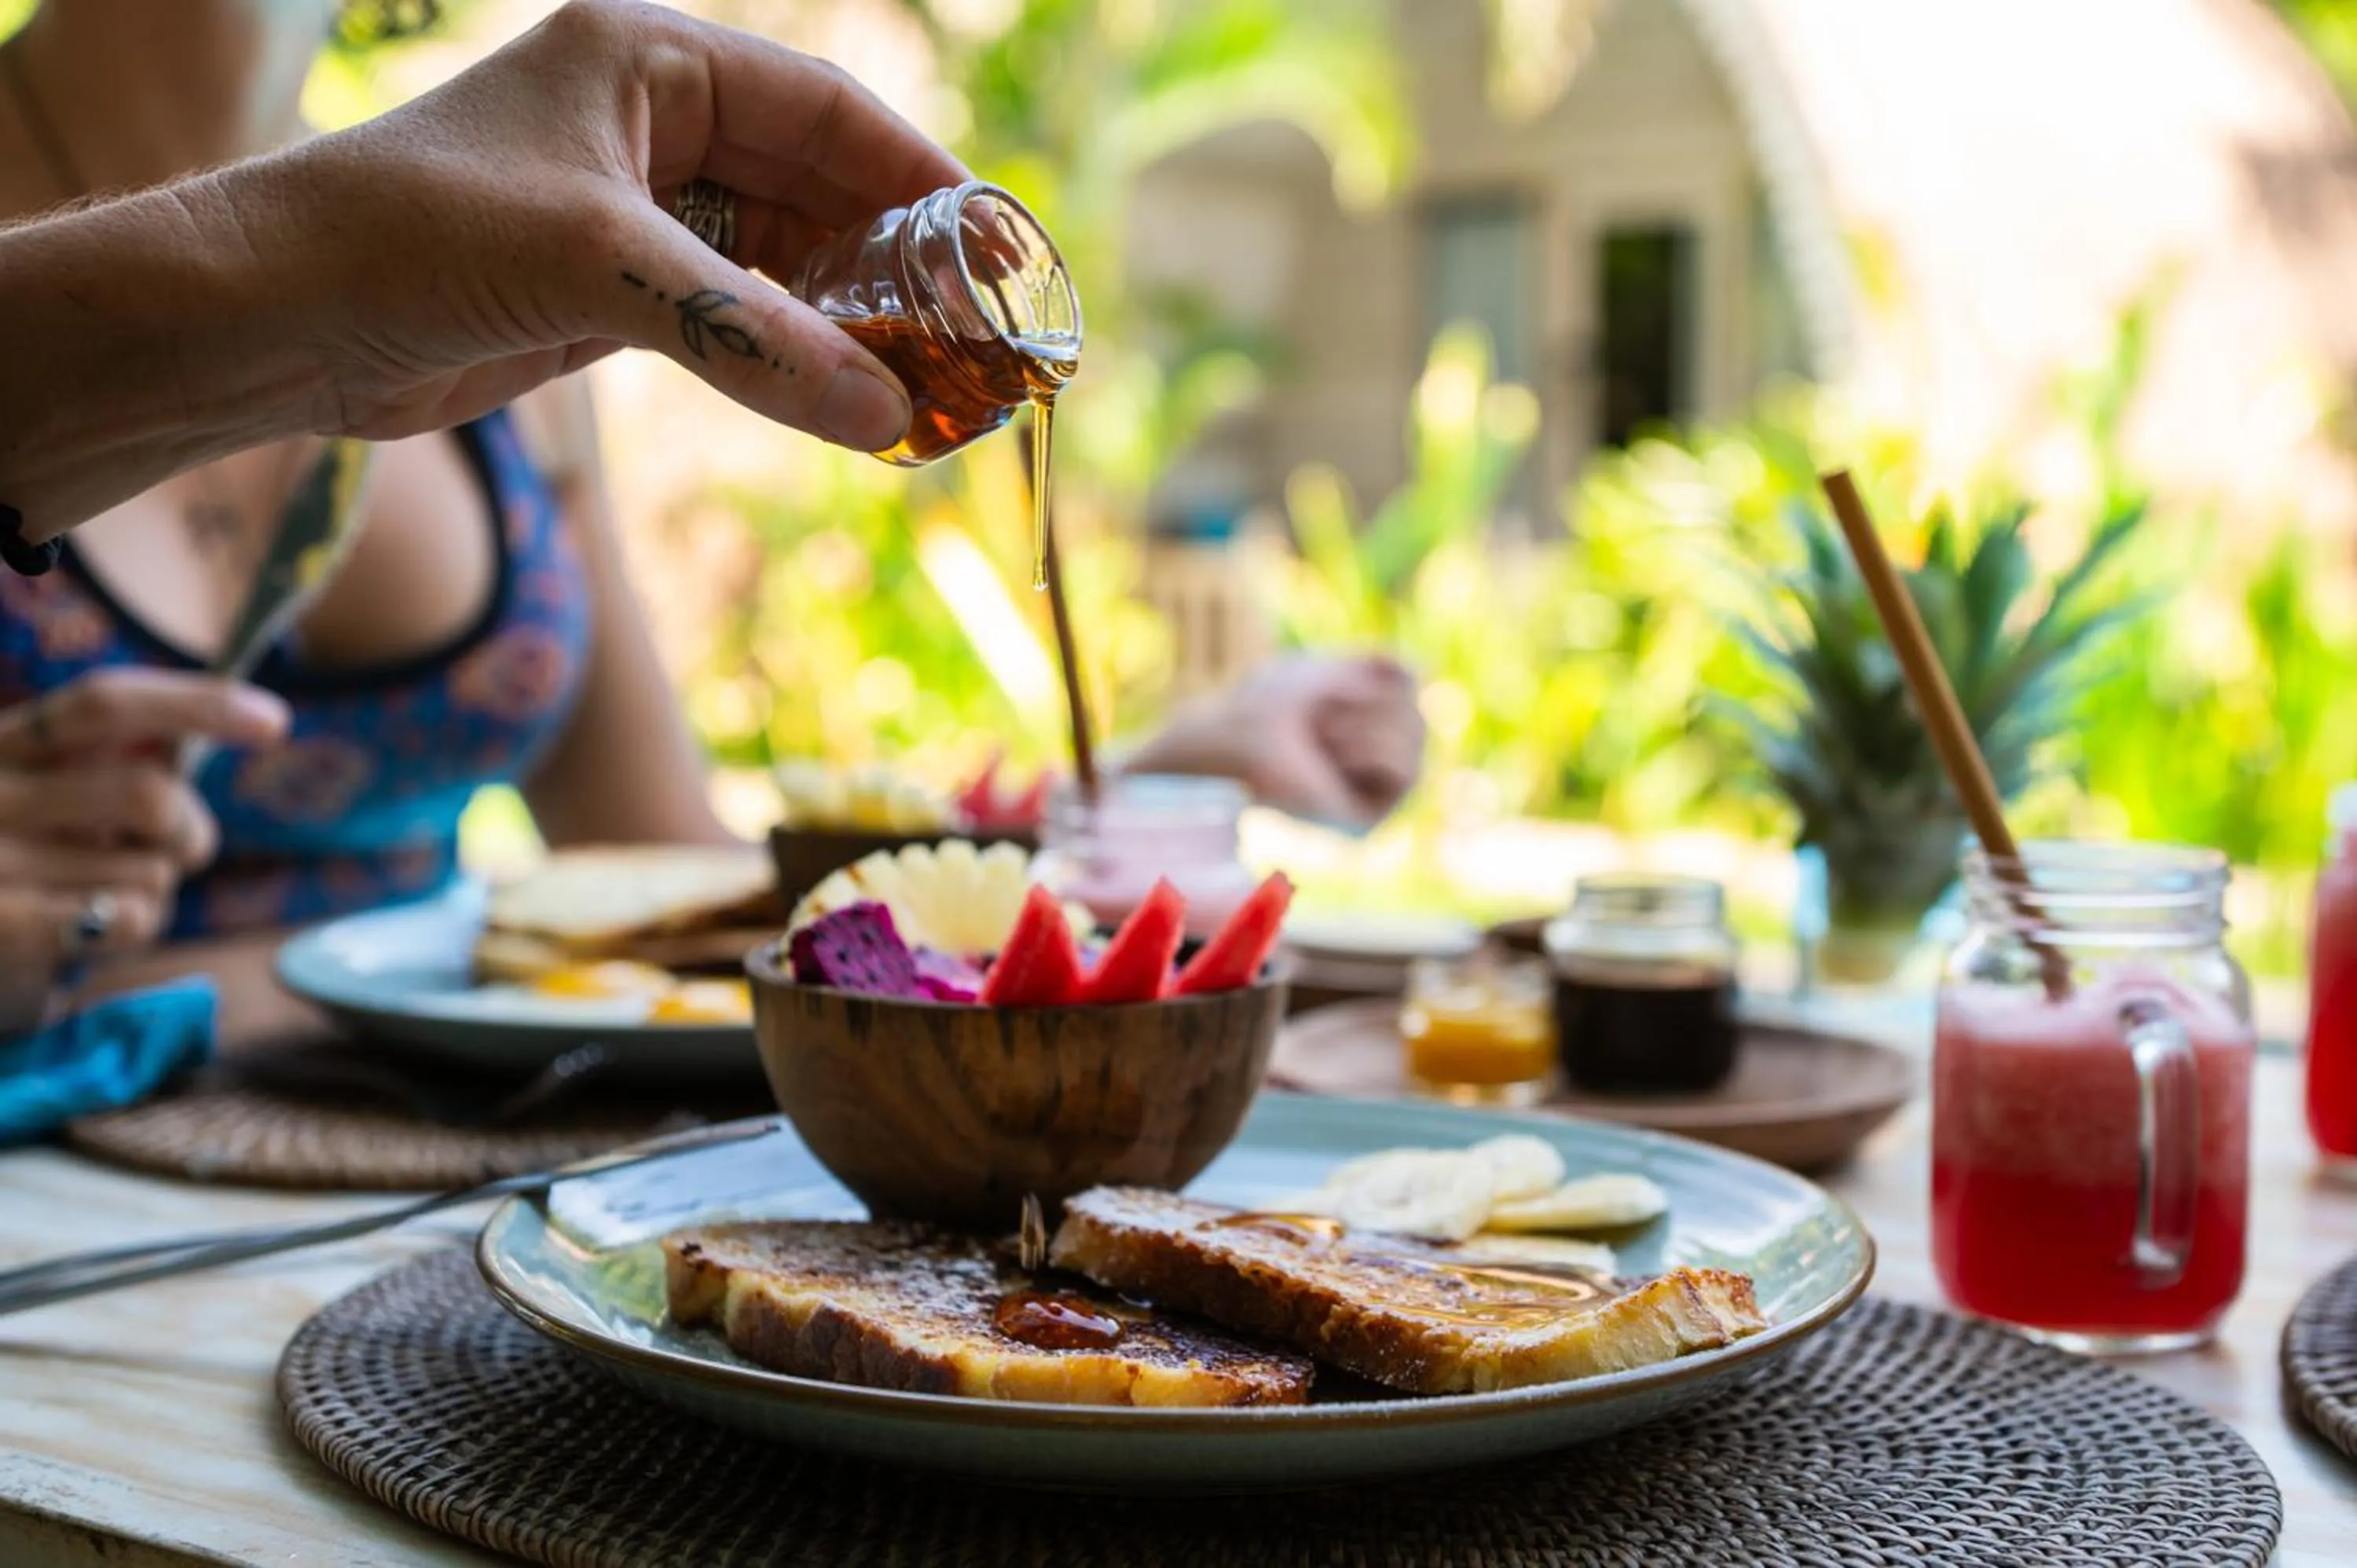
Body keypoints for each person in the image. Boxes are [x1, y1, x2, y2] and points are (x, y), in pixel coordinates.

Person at [0, 0, 1422, 1042]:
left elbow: (675, 878)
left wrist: (1137, 792)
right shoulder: (475, 241)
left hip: (412, 1210)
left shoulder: (496, 265)